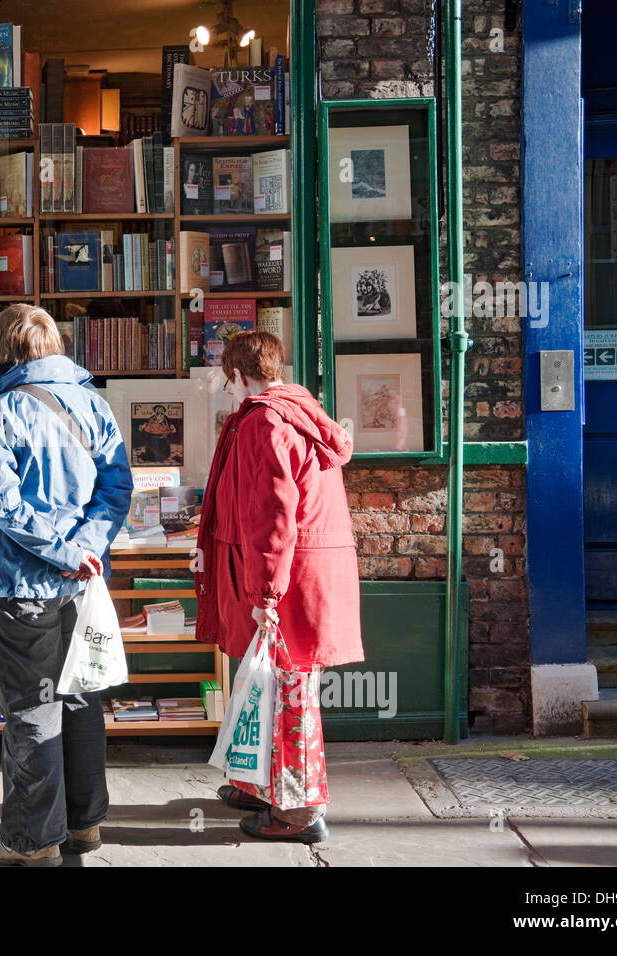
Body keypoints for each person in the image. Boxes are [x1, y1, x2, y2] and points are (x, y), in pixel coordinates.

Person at [0, 303, 133, 867]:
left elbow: (3, 504)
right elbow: (116, 490)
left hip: (18, 585)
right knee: (80, 698)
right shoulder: (95, 403)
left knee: (30, 709)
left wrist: (64, 551)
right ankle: (84, 827)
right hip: (79, 582)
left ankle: (32, 839)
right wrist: (83, 550)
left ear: (4, 348)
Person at [194, 330, 363, 844]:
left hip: (284, 581)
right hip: (302, 574)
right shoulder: (297, 410)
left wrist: (265, 594)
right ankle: (256, 785)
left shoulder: (265, 419)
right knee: (261, 685)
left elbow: (273, 515)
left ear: (236, 376)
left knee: (288, 694)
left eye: (227, 381)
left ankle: (298, 813)